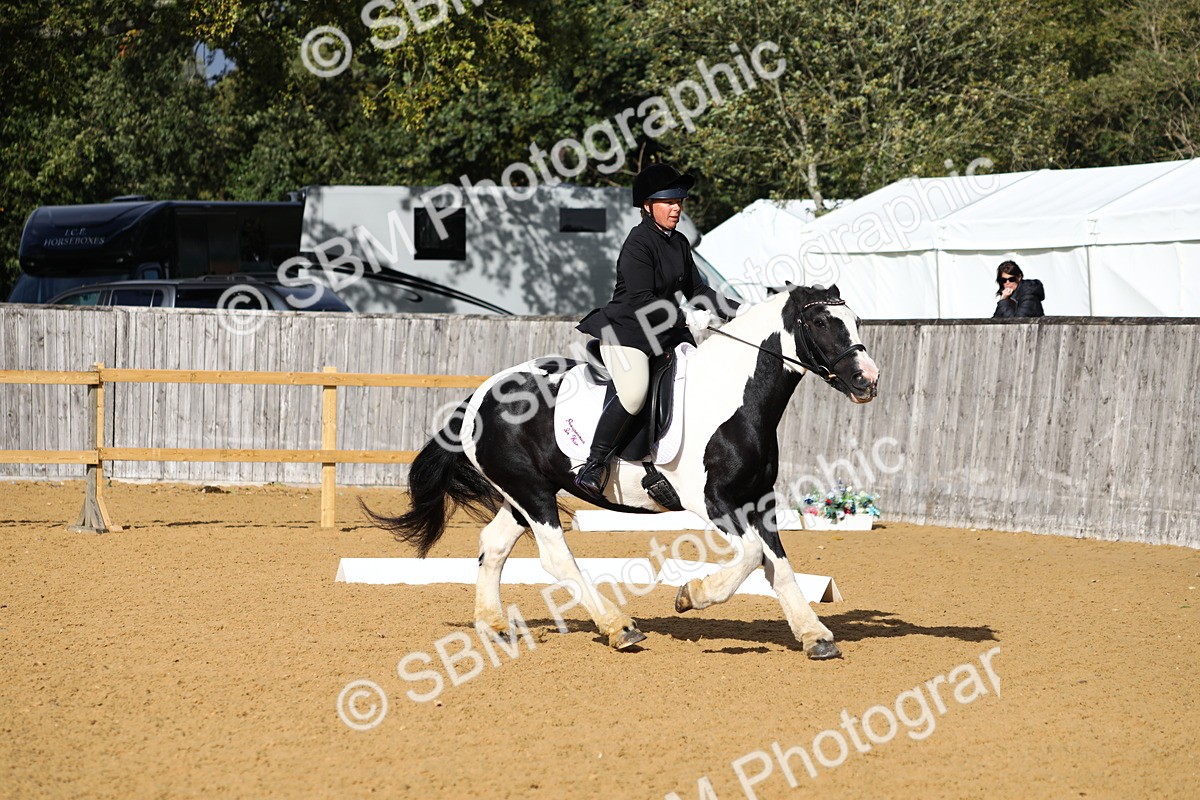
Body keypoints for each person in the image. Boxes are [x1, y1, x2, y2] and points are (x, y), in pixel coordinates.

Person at [573, 163, 742, 496]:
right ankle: (594, 463)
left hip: (664, 333)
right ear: (647, 206)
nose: (676, 207)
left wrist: (741, 311)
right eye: (668, 201)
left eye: (679, 200)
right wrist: (685, 319)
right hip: (628, 332)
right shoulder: (638, 244)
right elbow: (641, 300)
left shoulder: (678, 243)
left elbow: (699, 291)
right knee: (635, 393)